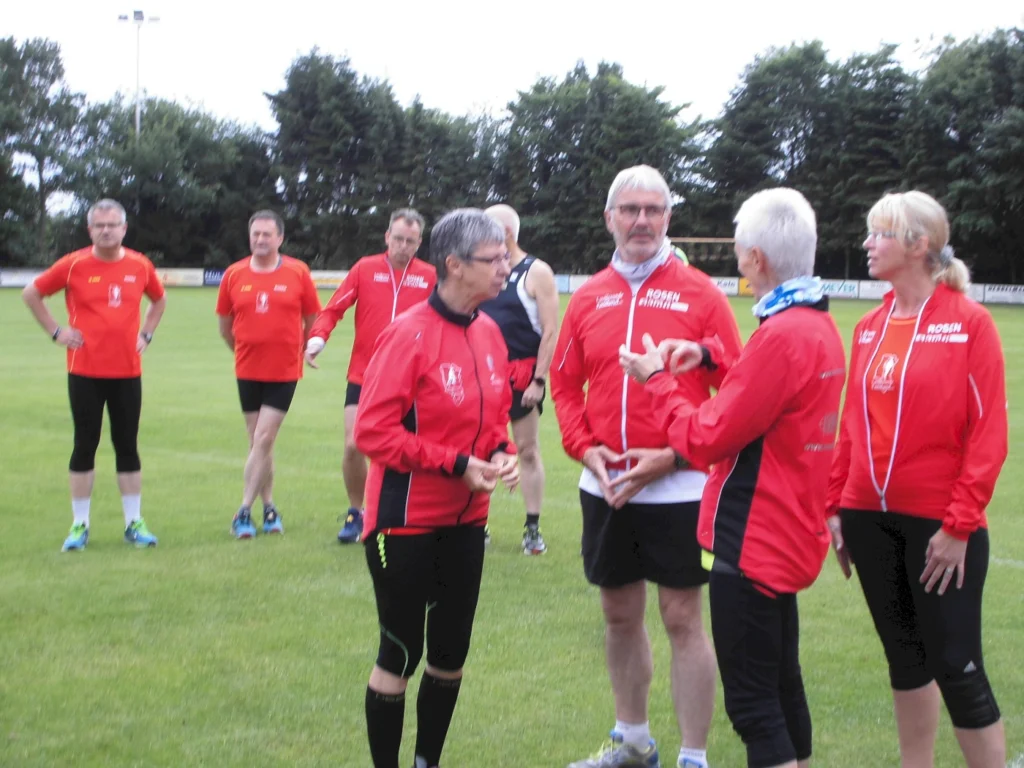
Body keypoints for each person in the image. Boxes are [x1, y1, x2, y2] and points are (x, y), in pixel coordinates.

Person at [619, 188, 846, 768]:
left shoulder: (783, 334)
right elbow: (769, 392)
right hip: (787, 529)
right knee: (781, 684)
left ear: (757, 260)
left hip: (754, 539)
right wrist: (709, 354)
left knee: (754, 707)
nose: (739, 261)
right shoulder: (814, 322)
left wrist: (656, 380)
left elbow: (705, 436)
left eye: (742, 251)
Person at [551, 165, 744, 768]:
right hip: (606, 485)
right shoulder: (588, 295)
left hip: (679, 484)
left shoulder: (700, 293)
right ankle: (632, 741)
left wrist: (676, 455)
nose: (641, 220)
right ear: (609, 218)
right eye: (629, 209)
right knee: (618, 613)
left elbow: (737, 389)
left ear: (668, 219)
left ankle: (693, 756)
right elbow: (562, 384)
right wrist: (584, 447)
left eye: (653, 210)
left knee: (682, 616)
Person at [826, 191, 1007, 767]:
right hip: (868, 520)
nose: (867, 244)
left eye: (878, 234)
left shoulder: (969, 324)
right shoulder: (871, 325)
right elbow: (851, 426)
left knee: (956, 664)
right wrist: (836, 506)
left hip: (941, 526)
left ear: (917, 244)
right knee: (904, 659)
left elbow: (988, 436)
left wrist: (959, 526)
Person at [354, 209, 519, 768]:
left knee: (450, 655)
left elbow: (495, 423)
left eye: (505, 258)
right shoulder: (408, 335)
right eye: (493, 260)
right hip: (404, 522)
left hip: (467, 524)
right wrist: (456, 464)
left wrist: (503, 454)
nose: (504, 269)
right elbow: (372, 431)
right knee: (400, 655)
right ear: (454, 264)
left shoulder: (491, 332)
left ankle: (428, 762)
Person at [21, 199, 166, 551]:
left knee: (127, 446)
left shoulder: (140, 265)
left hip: (128, 371)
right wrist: (57, 332)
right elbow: (32, 293)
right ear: (90, 230)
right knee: (85, 445)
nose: (106, 230)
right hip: (84, 371)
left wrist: (146, 334)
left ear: (123, 228)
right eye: (99, 225)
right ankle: (79, 526)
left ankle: (134, 522)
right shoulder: (74, 265)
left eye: (112, 225)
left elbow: (158, 301)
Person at [304, 209, 436, 544]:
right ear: (386, 237)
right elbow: (333, 308)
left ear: (419, 243)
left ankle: (413, 514)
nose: (403, 246)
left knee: (411, 450)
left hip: (414, 379)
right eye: (397, 238)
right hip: (365, 374)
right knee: (353, 444)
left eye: (410, 240)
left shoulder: (430, 276)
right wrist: (318, 338)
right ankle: (356, 511)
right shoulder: (365, 268)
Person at [216, 210, 322, 539]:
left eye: (267, 234)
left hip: (284, 370)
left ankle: (243, 510)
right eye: (255, 234)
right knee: (260, 444)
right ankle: (270, 506)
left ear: (280, 238)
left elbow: (312, 316)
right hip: (247, 369)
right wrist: (245, 349)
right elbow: (225, 326)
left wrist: (306, 347)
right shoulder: (233, 274)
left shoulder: (298, 272)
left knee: (263, 439)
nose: (260, 239)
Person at [478, 203, 560, 554]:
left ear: (507, 234)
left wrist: (538, 380)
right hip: (481, 376)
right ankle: (475, 525)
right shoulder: (481, 269)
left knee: (526, 450)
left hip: (522, 378)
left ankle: (532, 528)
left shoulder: (536, 271)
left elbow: (551, 330)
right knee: (479, 450)